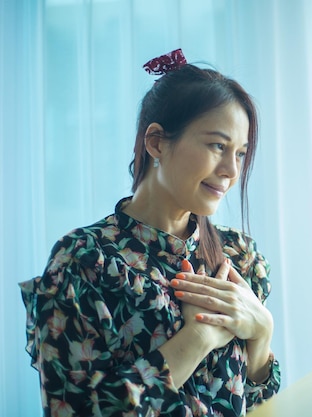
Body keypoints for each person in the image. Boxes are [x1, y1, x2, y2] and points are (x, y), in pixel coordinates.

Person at [19, 49, 280, 417]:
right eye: (217, 146)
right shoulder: (84, 262)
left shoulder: (240, 256)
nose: (231, 170)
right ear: (156, 142)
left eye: (240, 153)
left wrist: (262, 332)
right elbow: (74, 411)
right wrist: (199, 337)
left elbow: (257, 405)